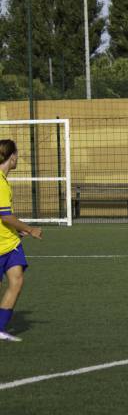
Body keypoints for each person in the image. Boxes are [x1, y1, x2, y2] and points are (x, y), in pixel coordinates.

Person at [0, 140, 43, 342]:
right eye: (17, 153)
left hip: (11, 242)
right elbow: (5, 216)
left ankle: (0, 328)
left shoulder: (4, 180)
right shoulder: (0, 182)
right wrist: (30, 229)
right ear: (12, 157)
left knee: (16, 281)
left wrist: (18, 231)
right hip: (1, 244)